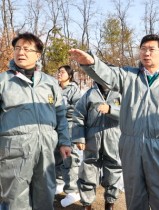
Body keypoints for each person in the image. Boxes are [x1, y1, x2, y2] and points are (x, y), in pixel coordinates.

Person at [69, 34, 159, 210]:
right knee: (134, 194)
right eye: (143, 49)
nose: (146, 53)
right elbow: (109, 75)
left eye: (151, 49)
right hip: (130, 144)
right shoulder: (128, 76)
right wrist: (91, 63)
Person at [0, 32, 71, 210]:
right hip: (13, 152)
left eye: (26, 49)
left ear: (38, 55)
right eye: (17, 48)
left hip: (46, 150)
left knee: (45, 196)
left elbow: (60, 114)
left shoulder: (49, 82)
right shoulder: (3, 81)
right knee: (15, 199)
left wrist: (64, 141)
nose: (20, 53)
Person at [72, 81, 122, 210]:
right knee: (88, 168)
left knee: (114, 168)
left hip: (115, 137)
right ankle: (87, 203)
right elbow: (78, 116)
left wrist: (112, 110)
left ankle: (110, 203)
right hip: (92, 138)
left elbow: (130, 113)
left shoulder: (121, 93)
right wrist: (79, 138)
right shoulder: (90, 94)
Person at [54, 65, 82, 207]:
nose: (59, 74)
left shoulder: (74, 90)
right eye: (58, 72)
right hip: (55, 126)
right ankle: (59, 183)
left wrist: (64, 111)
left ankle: (73, 190)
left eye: (63, 72)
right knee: (56, 156)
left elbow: (79, 109)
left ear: (69, 75)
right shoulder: (54, 87)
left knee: (69, 158)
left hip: (69, 126)